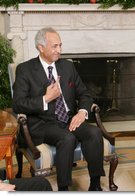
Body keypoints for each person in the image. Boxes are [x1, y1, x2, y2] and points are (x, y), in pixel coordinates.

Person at [12, 27, 105, 191]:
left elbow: (84, 93)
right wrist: (45, 99)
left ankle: (95, 185)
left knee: (94, 132)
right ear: (41, 47)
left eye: (60, 45)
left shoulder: (67, 67)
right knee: (67, 138)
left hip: (69, 119)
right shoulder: (25, 69)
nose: (59, 50)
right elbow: (18, 104)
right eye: (54, 46)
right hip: (42, 124)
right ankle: (63, 189)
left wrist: (82, 113)